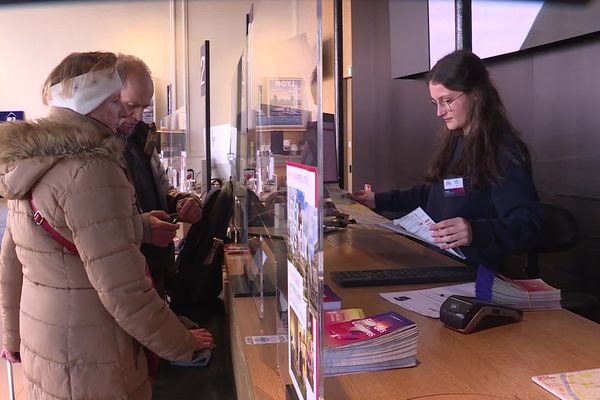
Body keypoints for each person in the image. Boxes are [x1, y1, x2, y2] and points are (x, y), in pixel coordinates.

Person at [0, 51, 214, 399]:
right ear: (91, 102)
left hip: (45, 348)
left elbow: (11, 262)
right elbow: (125, 292)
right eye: (116, 101)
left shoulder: (30, 162)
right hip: (93, 359)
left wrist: (12, 338)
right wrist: (182, 344)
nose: (124, 114)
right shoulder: (93, 169)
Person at [353, 50, 544, 272]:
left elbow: (531, 224)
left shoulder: (502, 151)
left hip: (473, 275)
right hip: (438, 261)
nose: (439, 112)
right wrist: (379, 200)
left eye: (447, 101)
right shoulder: (457, 141)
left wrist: (475, 231)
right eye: (435, 102)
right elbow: (435, 194)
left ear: (476, 94)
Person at [116, 54, 203, 298]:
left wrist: (184, 201)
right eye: (131, 106)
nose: (138, 116)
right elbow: (97, 228)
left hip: (157, 271)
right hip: (128, 279)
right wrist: (142, 227)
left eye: (144, 107)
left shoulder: (142, 139)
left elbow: (163, 191)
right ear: (110, 97)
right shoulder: (97, 152)